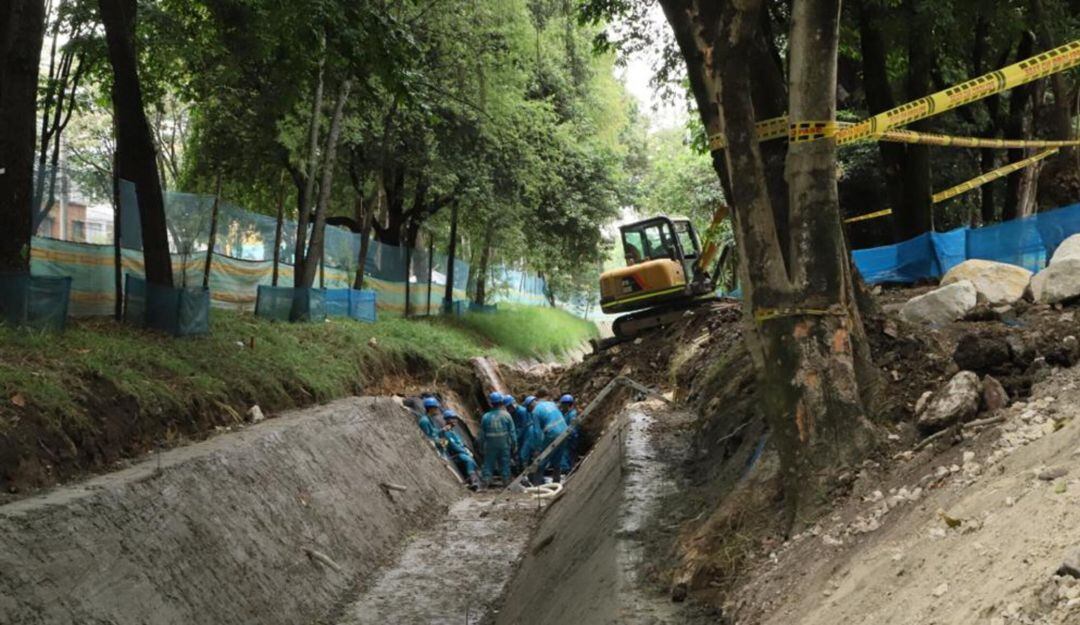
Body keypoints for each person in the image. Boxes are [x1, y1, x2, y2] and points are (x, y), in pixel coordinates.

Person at [480, 391, 517, 487]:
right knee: (505, 463)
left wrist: (481, 446)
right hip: (504, 444)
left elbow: (482, 435)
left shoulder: (486, 417)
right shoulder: (506, 415)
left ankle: (485, 483)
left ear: (491, 403)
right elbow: (512, 432)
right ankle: (506, 483)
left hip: (490, 445)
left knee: (488, 463)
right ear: (501, 402)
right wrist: (514, 445)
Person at [532, 390, 568, 483]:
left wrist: (538, 448)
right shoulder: (551, 404)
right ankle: (556, 481)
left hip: (553, 432)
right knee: (557, 458)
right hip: (565, 430)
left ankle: (537, 483)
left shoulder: (535, 411)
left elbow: (537, 432)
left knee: (543, 457)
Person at [440, 409, 481, 490]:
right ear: (447, 420)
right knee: (468, 459)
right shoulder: (445, 432)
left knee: (472, 460)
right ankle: (473, 481)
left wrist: (466, 450)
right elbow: (452, 446)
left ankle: (475, 480)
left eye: (455, 418)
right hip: (455, 455)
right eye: (452, 418)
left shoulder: (453, 431)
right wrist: (465, 452)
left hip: (461, 452)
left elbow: (460, 443)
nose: (455, 420)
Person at [559, 394, 579, 473]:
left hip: (570, 438)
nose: (562, 407)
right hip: (568, 437)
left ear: (567, 404)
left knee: (567, 453)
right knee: (568, 454)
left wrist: (570, 436)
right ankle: (569, 468)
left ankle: (566, 469)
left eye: (563, 404)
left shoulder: (572, 414)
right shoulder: (567, 414)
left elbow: (572, 428)